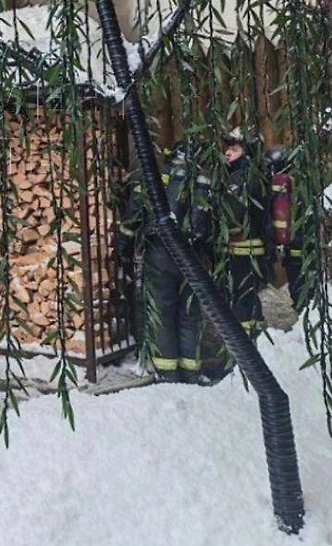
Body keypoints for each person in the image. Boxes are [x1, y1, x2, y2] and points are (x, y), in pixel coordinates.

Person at [117, 143, 213, 383]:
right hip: (192, 256)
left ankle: (167, 372)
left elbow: (134, 214)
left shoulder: (156, 179)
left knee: (162, 310)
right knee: (190, 313)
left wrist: (122, 246)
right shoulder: (204, 182)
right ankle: (191, 371)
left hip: (160, 253)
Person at [220, 128, 269, 332]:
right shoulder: (247, 174)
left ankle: (245, 338)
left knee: (242, 294)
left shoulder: (243, 178)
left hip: (243, 248)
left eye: (234, 149)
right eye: (227, 149)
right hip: (247, 246)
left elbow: (233, 213)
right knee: (247, 295)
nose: (228, 153)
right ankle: (252, 331)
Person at [265, 146, 315, 312]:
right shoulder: (301, 183)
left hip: (295, 249)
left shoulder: (283, 185)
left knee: (299, 290)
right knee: (302, 290)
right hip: (300, 249)